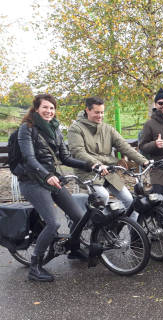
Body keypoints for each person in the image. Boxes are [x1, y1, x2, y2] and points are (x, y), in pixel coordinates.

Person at [12, 94, 106, 282]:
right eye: (45, 107)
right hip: (32, 181)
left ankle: (74, 250)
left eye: (52, 108)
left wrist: (91, 165)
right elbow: (30, 159)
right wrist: (46, 175)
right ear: (36, 109)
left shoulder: (55, 129)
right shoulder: (27, 129)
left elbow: (65, 158)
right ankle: (35, 266)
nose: (49, 111)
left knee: (79, 217)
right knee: (53, 223)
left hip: (52, 179)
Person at [67, 97, 149, 220]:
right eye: (97, 112)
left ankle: (135, 234)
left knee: (129, 200)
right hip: (88, 172)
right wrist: (96, 164)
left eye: (102, 112)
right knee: (102, 196)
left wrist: (143, 161)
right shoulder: (76, 129)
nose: (100, 115)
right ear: (87, 110)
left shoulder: (107, 128)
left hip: (108, 172)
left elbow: (124, 146)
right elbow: (78, 151)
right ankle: (95, 226)